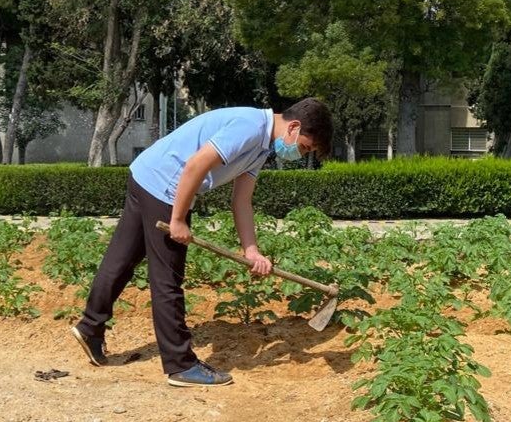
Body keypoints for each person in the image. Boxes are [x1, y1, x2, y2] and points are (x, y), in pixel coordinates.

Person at [70, 98, 333, 387]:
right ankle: (180, 365)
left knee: (121, 260)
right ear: (293, 127)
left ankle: (90, 327)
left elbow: (241, 200)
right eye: (305, 146)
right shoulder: (250, 126)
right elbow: (196, 164)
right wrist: (178, 218)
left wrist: (252, 250)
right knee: (167, 279)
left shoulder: (261, 146)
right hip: (165, 188)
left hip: (147, 175)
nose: (300, 152)